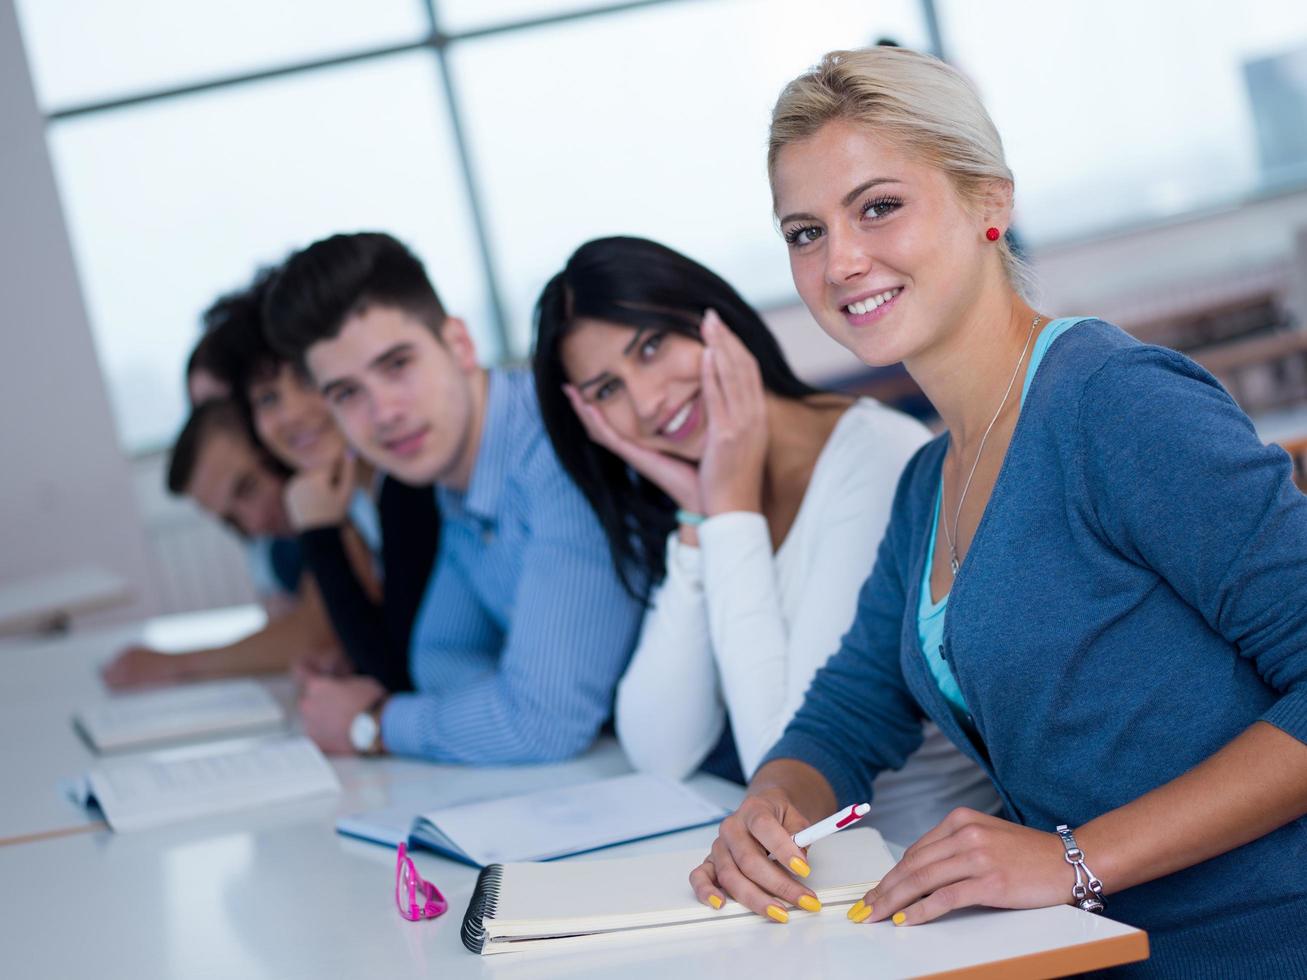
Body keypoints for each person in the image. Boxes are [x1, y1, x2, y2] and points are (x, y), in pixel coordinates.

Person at [690, 47, 1307, 975]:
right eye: (804, 231)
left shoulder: (1112, 401)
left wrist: (1071, 859)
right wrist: (769, 805)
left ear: (989, 201)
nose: (841, 259)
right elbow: (849, 713)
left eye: (878, 206)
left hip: (1252, 941)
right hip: (1084, 949)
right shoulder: (928, 483)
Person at [533, 235, 998, 844]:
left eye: (650, 347)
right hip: (832, 884)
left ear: (713, 321)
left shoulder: (876, 456)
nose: (646, 402)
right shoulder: (711, 500)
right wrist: (698, 521)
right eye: (606, 391)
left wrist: (727, 510)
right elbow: (659, 751)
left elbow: (781, 760)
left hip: (927, 869)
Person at [262, 231, 645, 763]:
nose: (384, 413)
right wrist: (508, 698)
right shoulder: (452, 477)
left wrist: (371, 725)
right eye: (348, 394)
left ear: (459, 344)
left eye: (397, 365)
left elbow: (542, 724)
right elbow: (437, 661)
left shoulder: (554, 450)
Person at [224, 273, 441, 693]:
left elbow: (400, 669)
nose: (291, 413)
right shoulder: (358, 495)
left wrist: (319, 533)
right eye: (268, 398)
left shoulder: (405, 481)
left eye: (307, 381)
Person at [101, 398, 339, 687]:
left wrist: (175, 665)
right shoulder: (281, 549)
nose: (254, 523)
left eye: (247, 487)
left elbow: (316, 634)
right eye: (232, 520)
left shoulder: (342, 505)